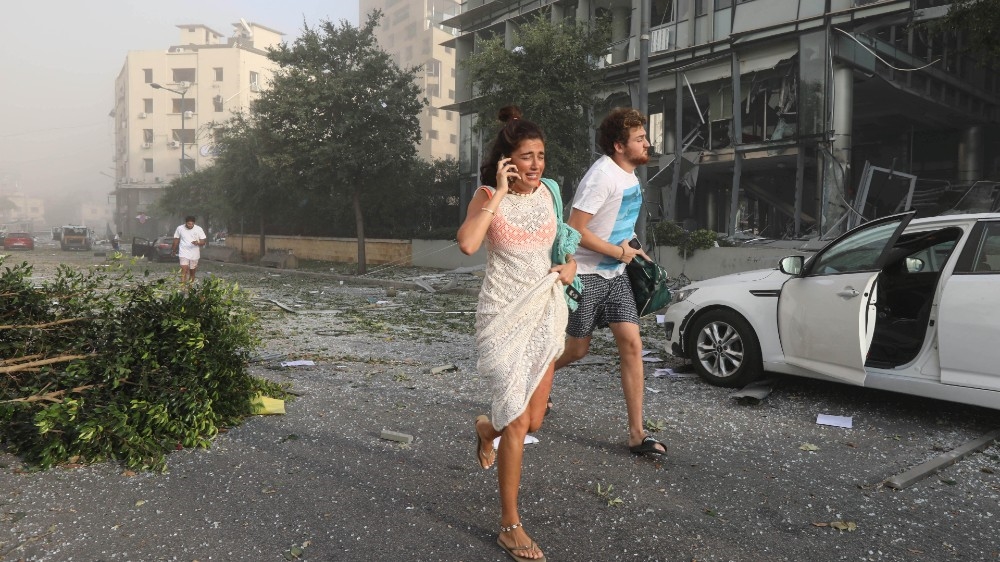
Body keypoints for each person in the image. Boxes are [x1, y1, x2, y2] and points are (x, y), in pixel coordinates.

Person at [457, 106, 576, 562]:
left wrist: (569, 268)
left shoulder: (550, 191)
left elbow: (564, 243)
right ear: (507, 160)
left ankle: (487, 428)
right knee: (521, 421)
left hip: (546, 309)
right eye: (526, 156)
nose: (536, 165)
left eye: (541, 156)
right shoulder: (489, 193)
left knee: (533, 420)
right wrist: (500, 192)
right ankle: (510, 525)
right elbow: (468, 243)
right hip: (502, 314)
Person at [552, 108, 668, 458]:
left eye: (644, 137)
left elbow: (618, 222)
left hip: (616, 275)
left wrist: (635, 249)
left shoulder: (629, 176)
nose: (647, 143)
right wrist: (618, 252)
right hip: (586, 275)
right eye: (639, 139)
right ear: (619, 145)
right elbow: (574, 230)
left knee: (632, 343)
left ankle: (637, 434)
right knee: (576, 350)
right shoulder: (601, 176)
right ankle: (535, 380)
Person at [171, 216, 207, 285]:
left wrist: (198, 243)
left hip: (194, 254)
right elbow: (176, 240)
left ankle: (190, 288)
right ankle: (183, 288)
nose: (190, 225)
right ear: (186, 223)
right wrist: (174, 250)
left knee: (192, 272)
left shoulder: (199, 229)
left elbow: (203, 242)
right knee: (184, 270)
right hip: (183, 252)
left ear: (194, 223)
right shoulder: (180, 228)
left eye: (192, 224)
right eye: (188, 224)